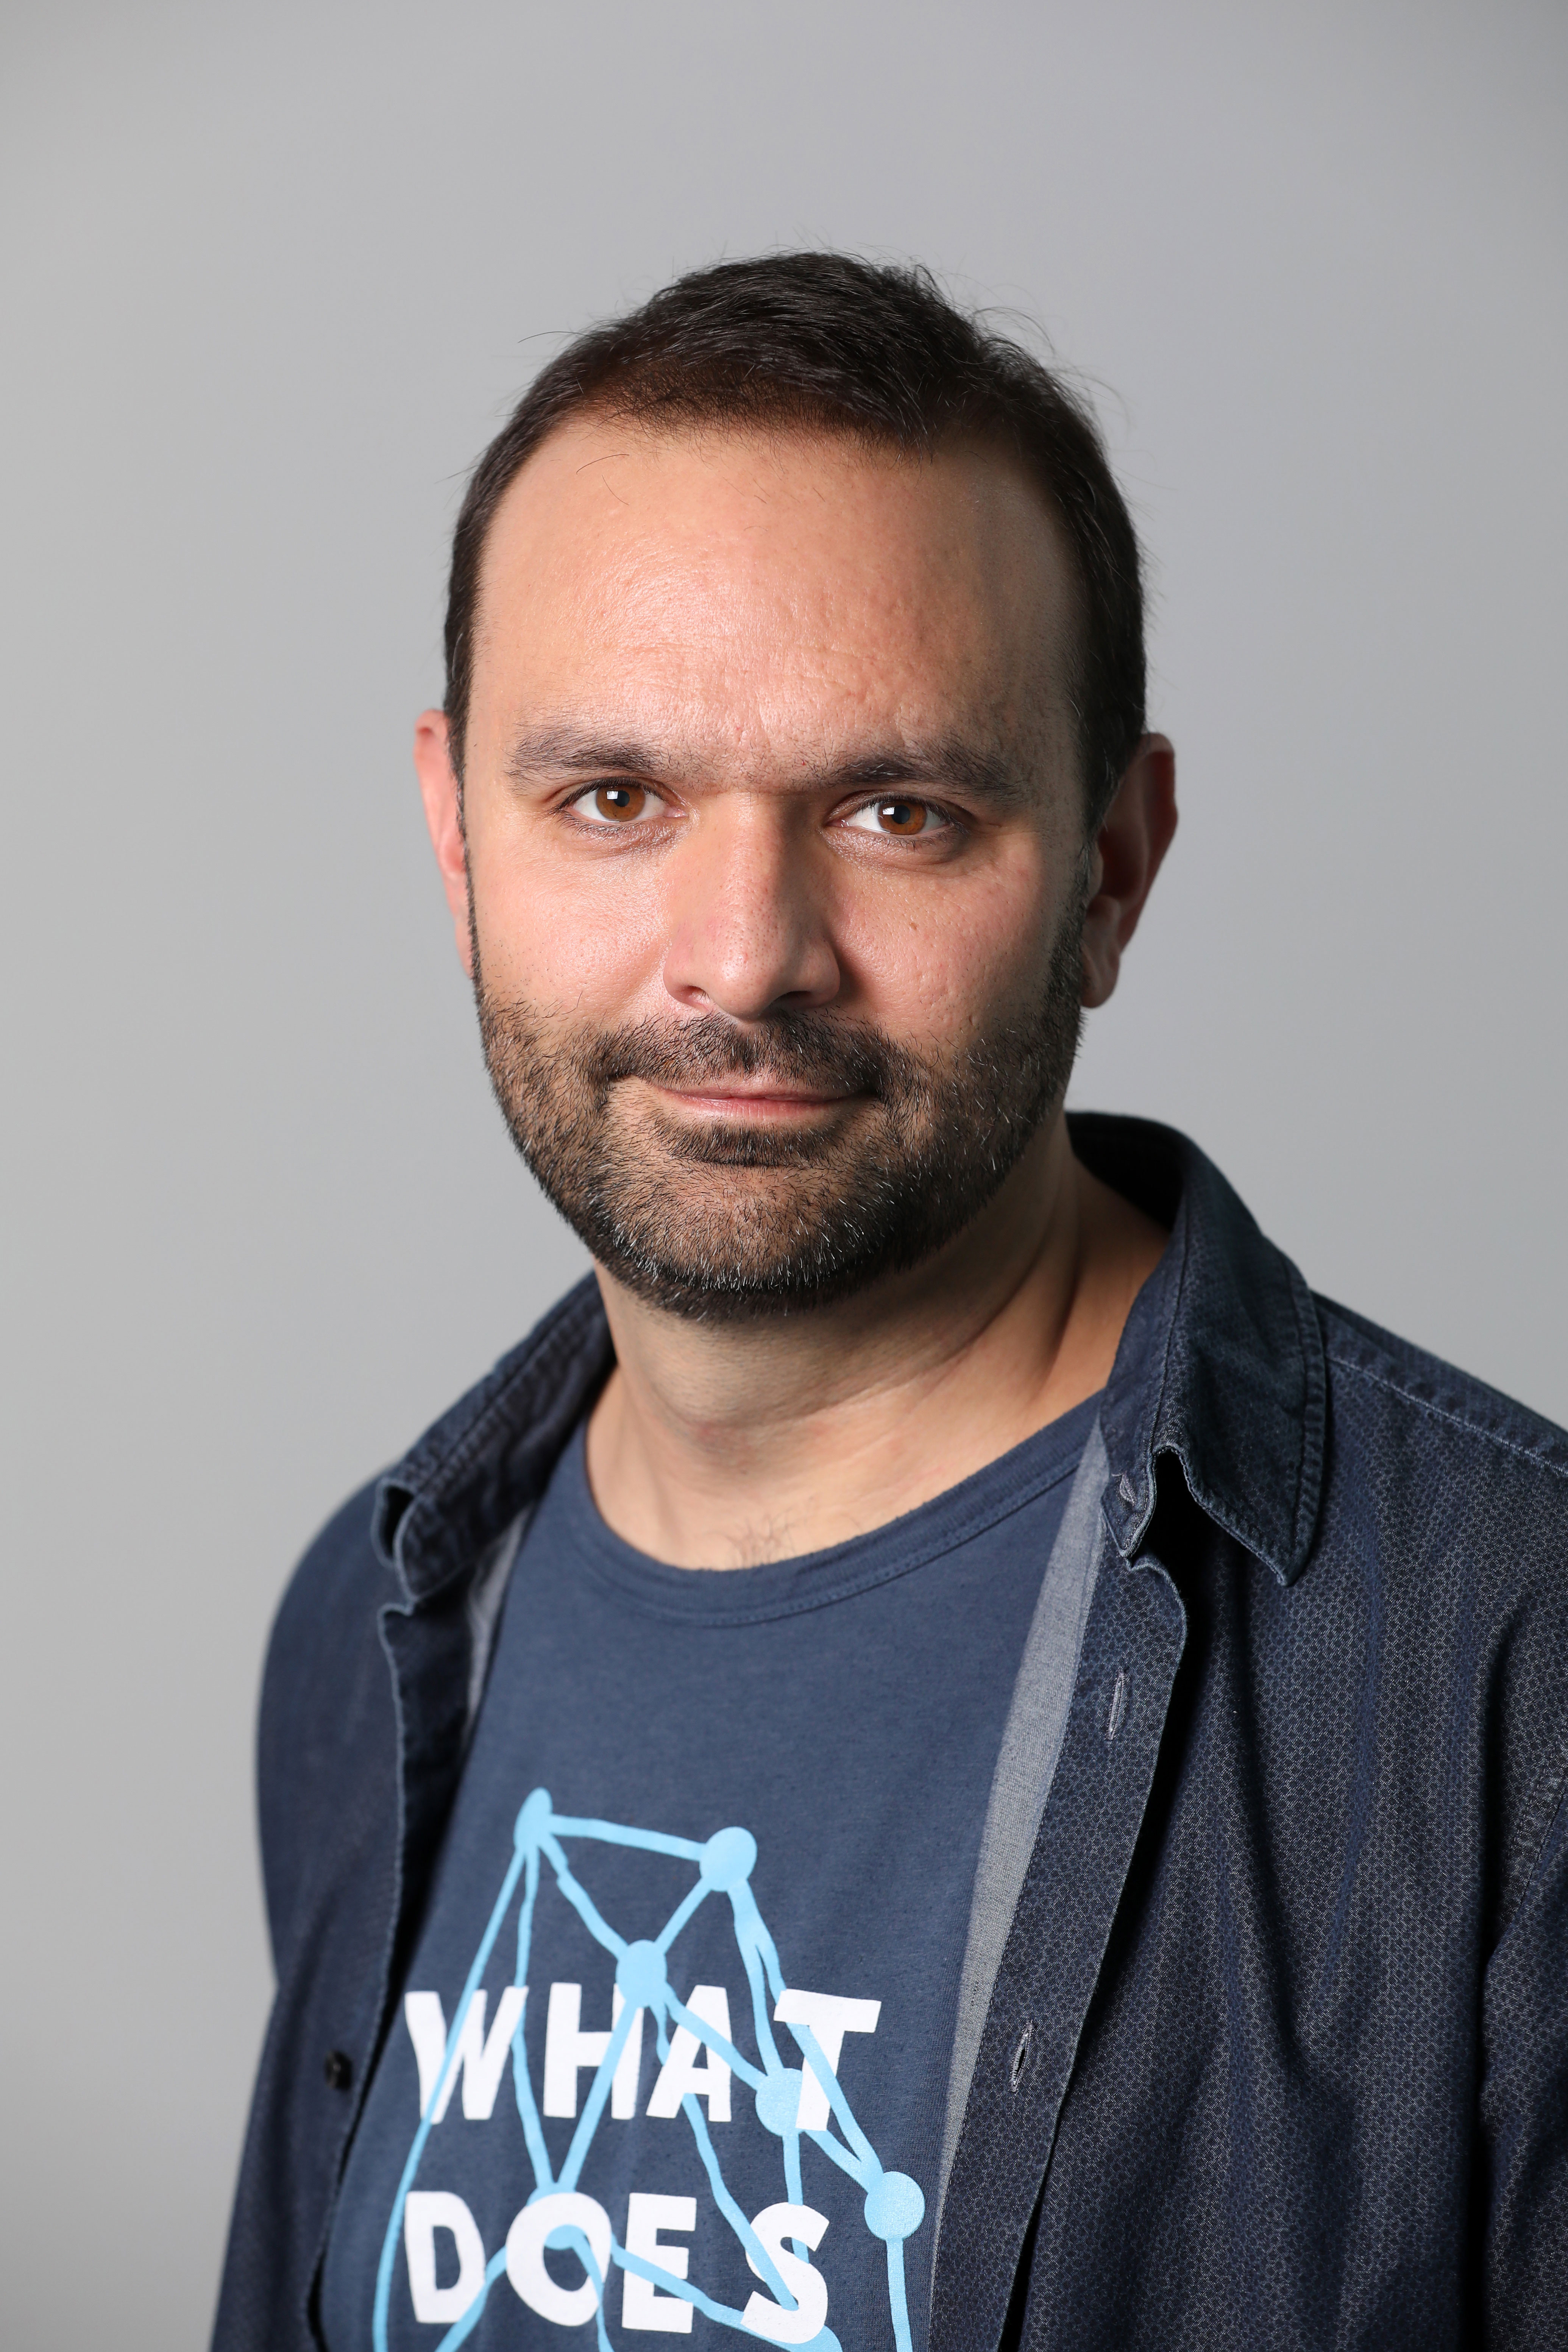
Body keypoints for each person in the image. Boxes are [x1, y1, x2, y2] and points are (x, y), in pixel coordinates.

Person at [212, 254, 1568, 2352]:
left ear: (1112, 867)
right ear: (458, 834)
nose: (745, 953)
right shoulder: (383, 1620)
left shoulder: (1511, 1677)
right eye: (613, 800)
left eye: (897, 811)